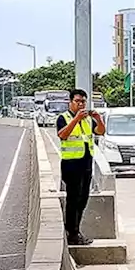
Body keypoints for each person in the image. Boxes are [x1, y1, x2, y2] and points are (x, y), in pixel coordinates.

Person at [57, 88, 105, 246]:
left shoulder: (88, 120)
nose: (81, 104)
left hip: (86, 164)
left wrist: (98, 119)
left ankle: (75, 230)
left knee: (83, 199)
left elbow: (100, 131)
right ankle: (72, 233)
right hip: (71, 165)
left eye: (83, 101)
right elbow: (63, 135)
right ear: (70, 102)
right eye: (77, 101)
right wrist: (75, 119)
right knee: (73, 200)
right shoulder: (63, 118)